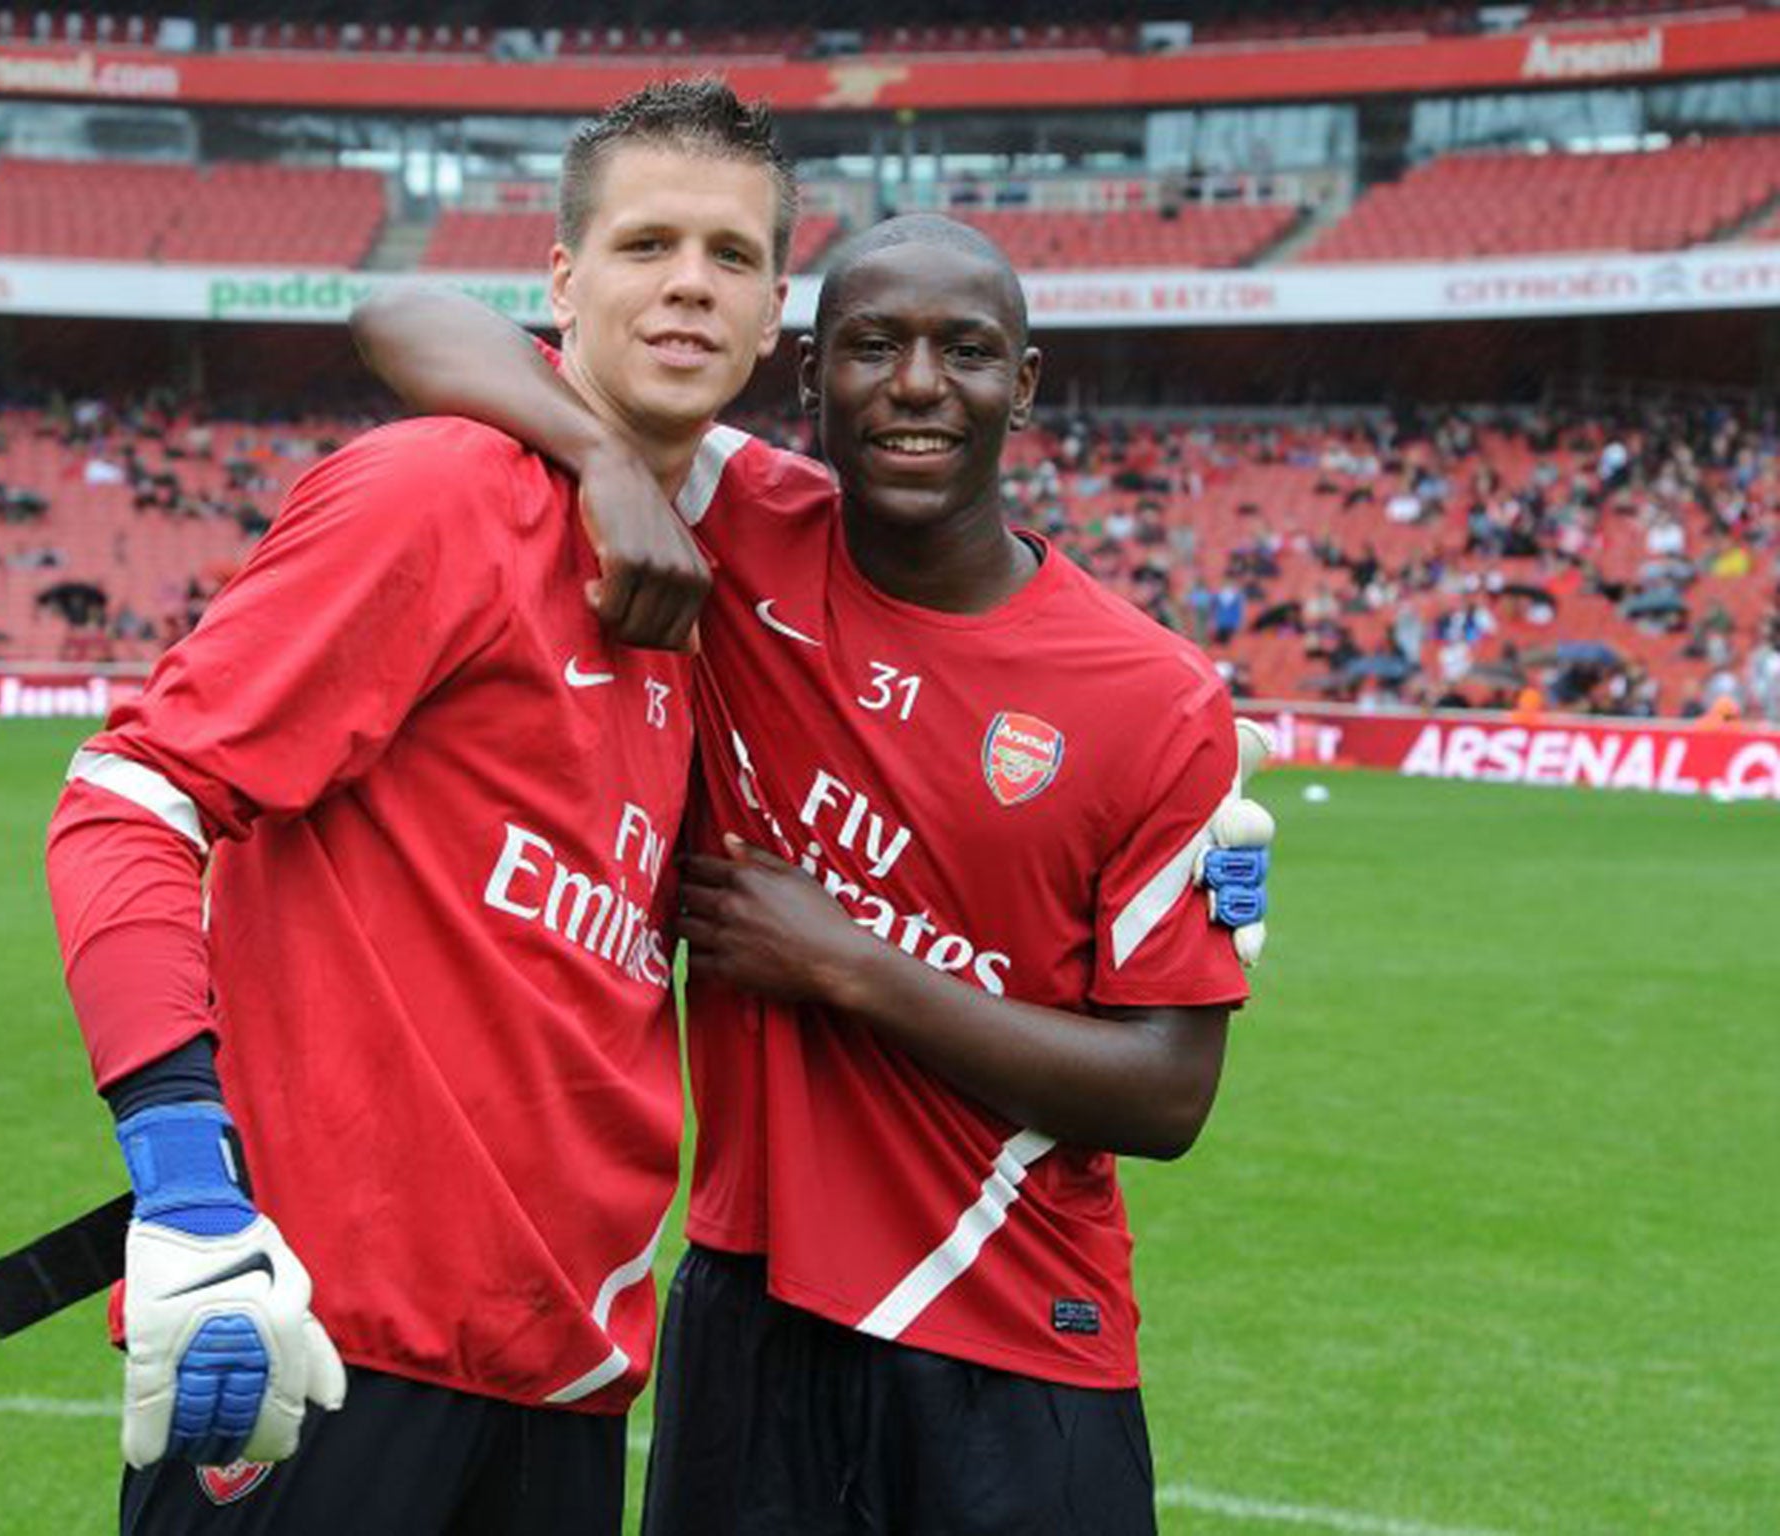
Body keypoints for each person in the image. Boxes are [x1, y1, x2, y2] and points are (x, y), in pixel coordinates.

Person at [355, 214, 1273, 1535]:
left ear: (1023, 384)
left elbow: (1168, 1093)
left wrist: (849, 964)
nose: (914, 384)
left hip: (1017, 1330)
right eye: (871, 346)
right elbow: (402, 316)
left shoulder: (1157, 696)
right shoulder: (743, 523)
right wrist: (608, 463)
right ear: (808, 375)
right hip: (752, 1306)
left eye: (964, 351)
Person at [41, 80, 790, 1536]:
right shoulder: (437, 493)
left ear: (774, 316)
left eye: (732, 256)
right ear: (562, 284)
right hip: (320, 1347)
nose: (689, 282)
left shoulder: (727, 580)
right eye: (645, 245)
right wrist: (187, 1190)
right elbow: (128, 803)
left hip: (565, 1374)